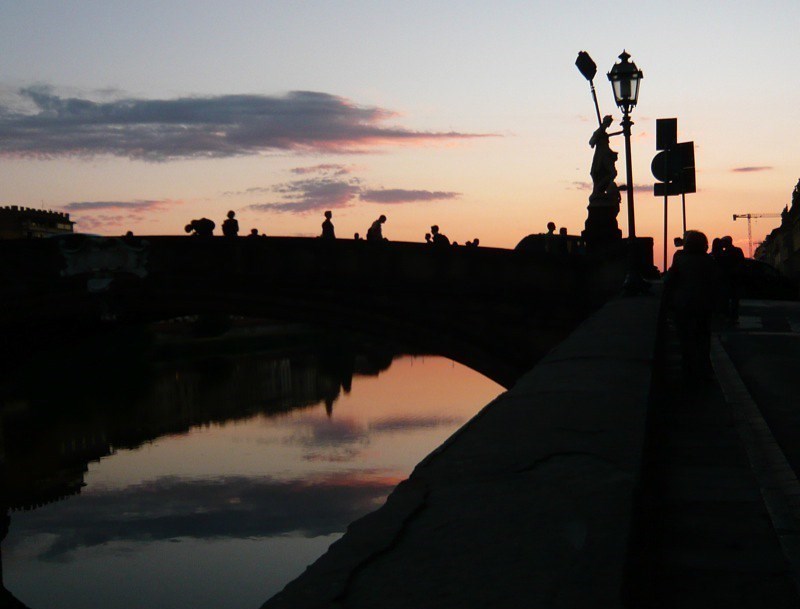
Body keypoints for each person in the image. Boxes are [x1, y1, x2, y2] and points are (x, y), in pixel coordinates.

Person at [664, 230, 720, 381]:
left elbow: (668, 281)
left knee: (686, 339)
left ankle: (688, 370)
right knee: (702, 338)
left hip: (684, 306)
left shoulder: (680, 259)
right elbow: (715, 284)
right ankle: (704, 369)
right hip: (703, 306)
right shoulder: (709, 261)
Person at [717, 235, 745, 322]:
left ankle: (731, 316)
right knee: (732, 299)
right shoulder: (736, 251)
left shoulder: (727, 252)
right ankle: (732, 316)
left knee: (730, 298)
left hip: (731, 278)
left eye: (723, 242)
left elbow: (740, 263)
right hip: (732, 278)